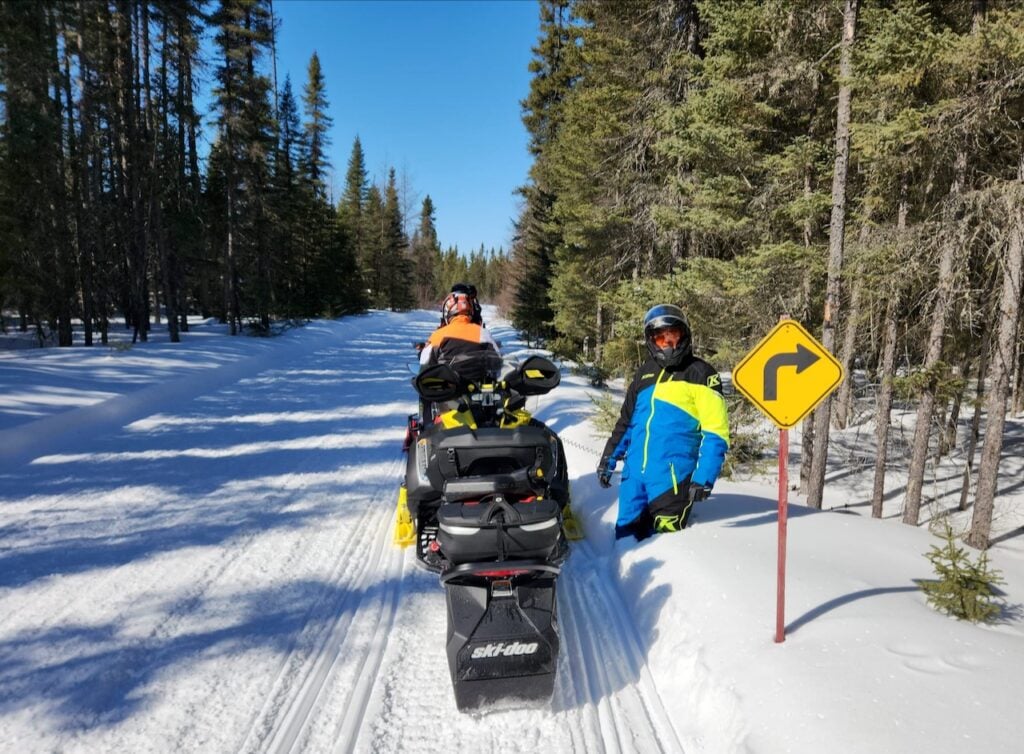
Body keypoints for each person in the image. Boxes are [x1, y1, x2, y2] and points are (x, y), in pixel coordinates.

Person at [597, 304, 730, 540]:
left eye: (672, 337)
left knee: (665, 543)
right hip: (634, 477)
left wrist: (704, 477)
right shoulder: (644, 374)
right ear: (651, 341)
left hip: (672, 480)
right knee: (624, 542)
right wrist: (609, 458)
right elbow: (626, 422)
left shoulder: (701, 374)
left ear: (684, 336)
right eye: (661, 339)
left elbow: (716, 432)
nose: (667, 344)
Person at [419, 283, 498, 368]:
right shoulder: (483, 333)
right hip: (476, 379)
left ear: (447, 312)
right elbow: (497, 360)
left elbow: (424, 364)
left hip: (447, 379)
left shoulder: (438, 335)